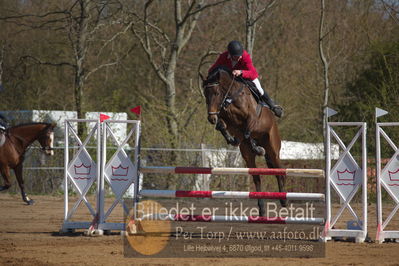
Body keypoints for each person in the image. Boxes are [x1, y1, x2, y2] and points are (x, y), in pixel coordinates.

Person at [208, 40, 283, 118]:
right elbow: (212, 69)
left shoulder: (245, 56)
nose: (240, 57)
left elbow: (253, 73)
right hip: (232, 78)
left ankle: (273, 106)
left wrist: (241, 72)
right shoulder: (223, 57)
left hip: (246, 76)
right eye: (237, 56)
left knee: (259, 89)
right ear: (230, 55)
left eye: (240, 55)